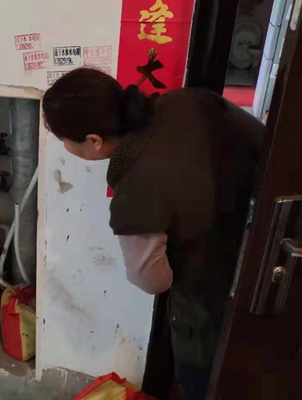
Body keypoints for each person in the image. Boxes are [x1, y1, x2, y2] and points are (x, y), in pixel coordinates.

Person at [42, 68, 264, 400]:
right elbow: (262, 140)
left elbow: (153, 281)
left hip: (211, 303)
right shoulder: (187, 101)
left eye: (65, 140)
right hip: (265, 256)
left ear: (94, 141)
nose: (64, 146)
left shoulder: (134, 197)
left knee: (207, 382)